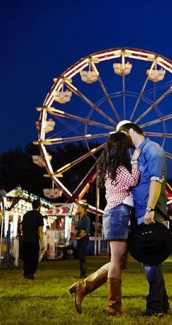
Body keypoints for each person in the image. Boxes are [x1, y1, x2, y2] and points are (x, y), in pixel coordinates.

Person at [69, 131, 140, 315]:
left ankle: (83, 287)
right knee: (117, 260)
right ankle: (113, 307)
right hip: (118, 214)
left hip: (117, 213)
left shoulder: (110, 168)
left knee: (121, 262)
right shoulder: (118, 169)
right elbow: (134, 180)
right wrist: (135, 160)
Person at [117, 120, 170, 316]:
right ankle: (162, 304)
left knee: (150, 260)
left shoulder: (154, 150)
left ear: (130, 131)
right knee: (151, 258)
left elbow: (156, 181)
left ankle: (155, 306)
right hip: (141, 210)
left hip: (149, 211)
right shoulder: (140, 153)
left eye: (123, 136)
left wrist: (150, 209)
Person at [19, 200, 44, 279]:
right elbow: (40, 230)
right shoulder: (39, 216)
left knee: (26, 257)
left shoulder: (26, 215)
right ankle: (31, 273)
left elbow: (21, 227)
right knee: (33, 257)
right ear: (39, 206)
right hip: (33, 240)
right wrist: (42, 242)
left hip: (25, 239)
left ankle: (26, 273)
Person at [74, 201, 92, 278]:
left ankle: (83, 273)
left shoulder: (86, 219)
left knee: (82, 256)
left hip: (83, 239)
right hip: (80, 239)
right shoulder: (80, 218)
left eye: (79, 208)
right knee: (80, 255)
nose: (77, 209)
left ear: (83, 209)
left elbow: (86, 231)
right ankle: (82, 272)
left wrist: (78, 237)